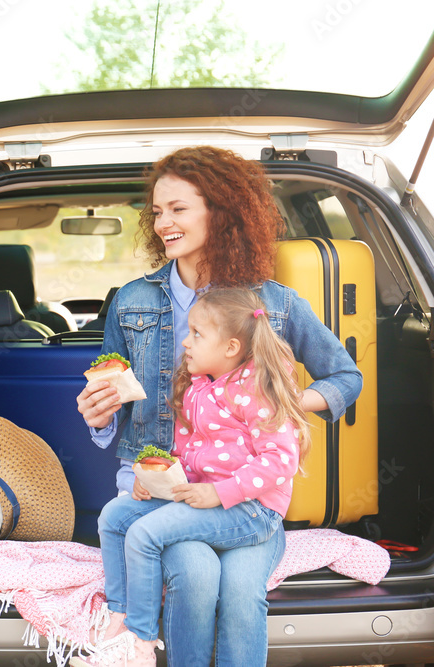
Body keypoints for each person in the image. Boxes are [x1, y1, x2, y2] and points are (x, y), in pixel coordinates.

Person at [75, 146, 362, 666]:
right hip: (157, 489)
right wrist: (100, 416)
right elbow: (112, 402)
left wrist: (286, 402)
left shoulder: (273, 303)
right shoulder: (131, 301)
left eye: (178, 209)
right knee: (196, 574)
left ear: (221, 211)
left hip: (239, 495)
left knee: (235, 590)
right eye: (157, 212)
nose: (163, 223)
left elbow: (346, 377)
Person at [91, 288, 311, 666]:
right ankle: (120, 618)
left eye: (196, 334)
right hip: (208, 501)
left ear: (230, 348)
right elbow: (190, 458)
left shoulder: (254, 387)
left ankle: (138, 646)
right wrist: (155, 478)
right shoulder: (197, 387)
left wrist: (220, 492)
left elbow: (281, 460)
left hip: (251, 510)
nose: (185, 342)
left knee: (146, 535)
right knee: (113, 516)